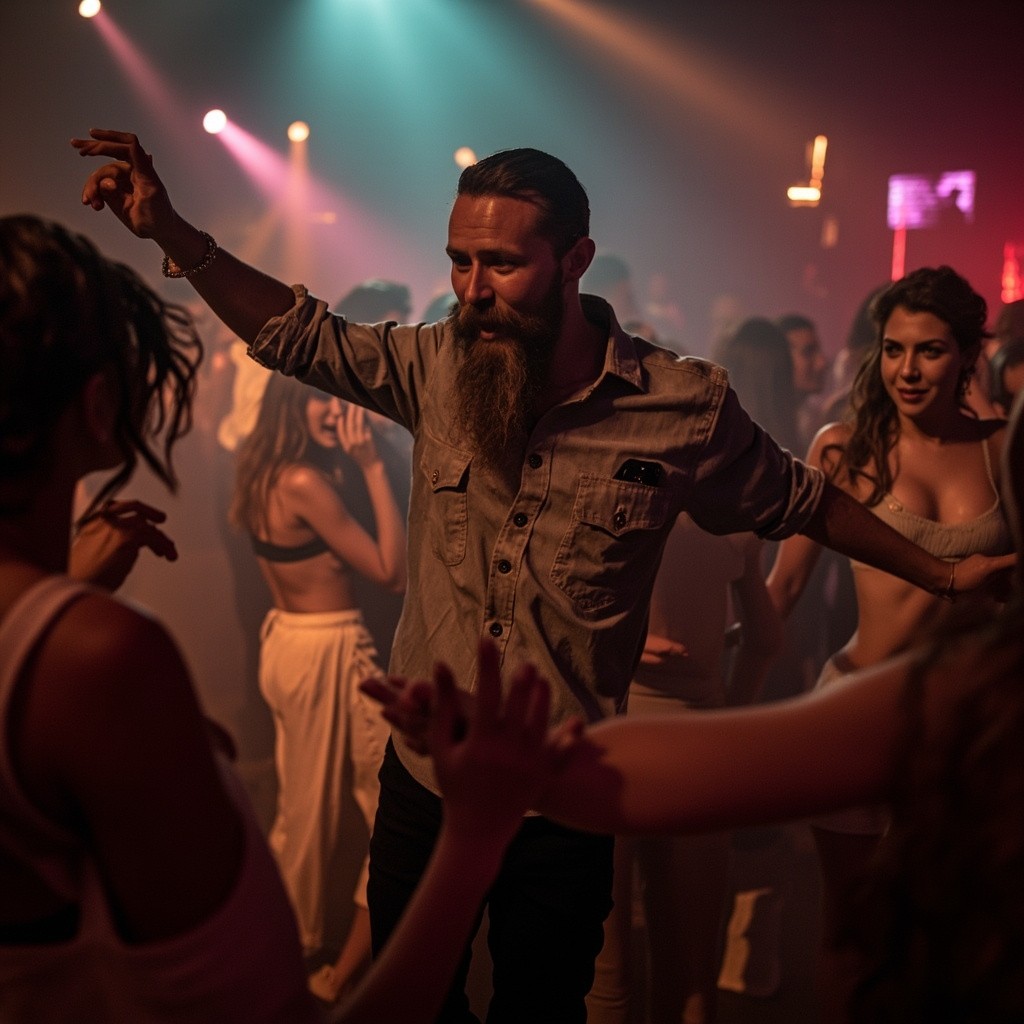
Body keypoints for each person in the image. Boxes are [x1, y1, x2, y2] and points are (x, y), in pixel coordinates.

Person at [73, 129, 1012, 1023]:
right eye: (458, 261)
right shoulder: (436, 363)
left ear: (574, 260)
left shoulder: (679, 405)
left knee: (543, 1010)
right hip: (427, 777)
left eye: (500, 264)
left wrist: (941, 572)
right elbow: (298, 334)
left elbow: (802, 500)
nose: (471, 290)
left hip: (566, 793)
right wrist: (171, 231)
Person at [0, 212, 594, 1024]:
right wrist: (473, 834)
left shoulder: (65, 638)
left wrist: (66, 594)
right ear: (101, 404)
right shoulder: (100, 657)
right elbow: (257, 1008)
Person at [374, 385, 1024, 1024]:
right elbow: (757, 672)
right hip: (655, 728)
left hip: (626, 737)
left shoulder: (968, 687)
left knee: (615, 973)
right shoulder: (973, 683)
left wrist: (518, 766)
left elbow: (737, 753)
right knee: (678, 972)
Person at [766, 265, 1014, 1020]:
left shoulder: (1002, 449)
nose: (907, 369)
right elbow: (785, 588)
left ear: (967, 353)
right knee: (851, 933)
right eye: (894, 349)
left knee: (957, 941)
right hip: (857, 709)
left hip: (961, 730)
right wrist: (720, 670)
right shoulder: (843, 449)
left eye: (930, 350)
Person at [230, 374, 405, 998]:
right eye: (321, 399)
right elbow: (391, 569)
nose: (337, 411)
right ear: (291, 403)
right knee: (318, 819)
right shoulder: (304, 481)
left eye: (340, 398)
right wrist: (373, 466)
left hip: (290, 639)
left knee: (332, 808)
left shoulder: (268, 468)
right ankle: (290, 960)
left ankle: (309, 961)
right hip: (325, 647)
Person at [586, 516, 781, 1024]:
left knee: (605, 981)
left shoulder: (609, 499)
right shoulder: (731, 509)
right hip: (698, 737)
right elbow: (764, 639)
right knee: (692, 978)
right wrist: (727, 724)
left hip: (608, 738)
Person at [776, 312, 829, 449]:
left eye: (818, 351)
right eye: (808, 352)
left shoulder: (817, 417)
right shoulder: (764, 426)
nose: (822, 363)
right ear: (780, 359)